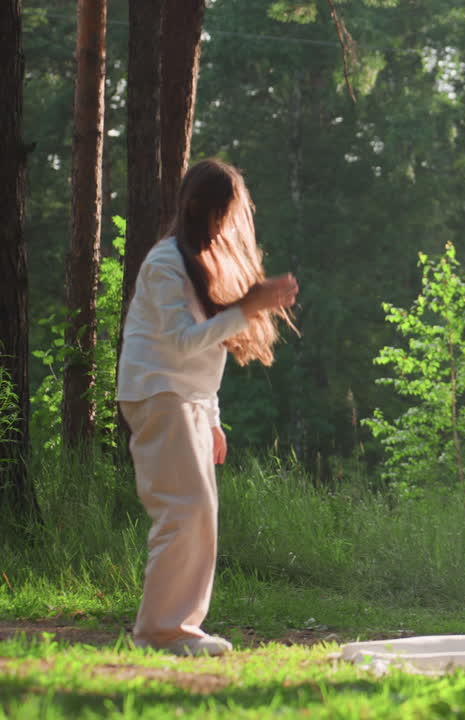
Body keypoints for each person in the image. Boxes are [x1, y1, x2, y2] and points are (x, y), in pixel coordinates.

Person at [117, 158, 299, 656]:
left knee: (199, 514)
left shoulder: (199, 262)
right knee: (184, 511)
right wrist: (248, 308)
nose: (226, 223)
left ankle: (178, 629)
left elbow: (204, 355)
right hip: (159, 394)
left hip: (186, 401)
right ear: (197, 207)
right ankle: (161, 632)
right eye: (221, 211)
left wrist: (212, 417)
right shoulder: (164, 264)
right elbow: (181, 343)